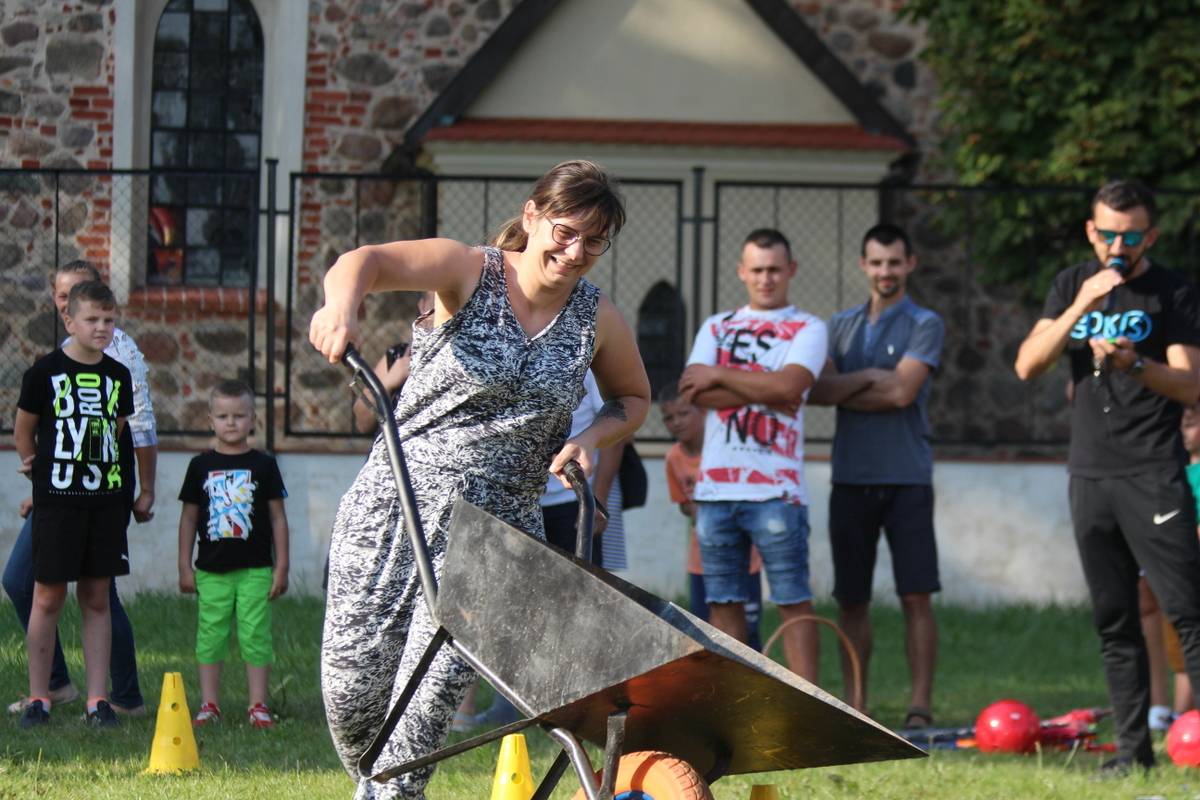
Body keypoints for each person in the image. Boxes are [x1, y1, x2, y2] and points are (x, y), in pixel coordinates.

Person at [308, 159, 650, 799]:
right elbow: (365, 260)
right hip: (396, 506)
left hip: (496, 536)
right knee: (354, 702)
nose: (575, 252)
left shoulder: (596, 316)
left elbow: (632, 398)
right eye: (565, 232)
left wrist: (588, 439)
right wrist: (340, 307)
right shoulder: (469, 270)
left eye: (594, 241)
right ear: (532, 216)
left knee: (419, 723)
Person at [1014, 179, 1200, 774]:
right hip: (1090, 476)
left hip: (1153, 471)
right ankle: (1131, 754)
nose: (1118, 246)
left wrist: (1134, 364)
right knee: (1115, 620)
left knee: (1188, 613)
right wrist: (1081, 305)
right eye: (1108, 235)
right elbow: (1027, 365)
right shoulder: (1073, 283)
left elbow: (1191, 385)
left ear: (1152, 235)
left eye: (1131, 236)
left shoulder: (1173, 292)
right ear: (1091, 232)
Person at [4, 261, 155, 717]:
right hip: (58, 504)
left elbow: (118, 431)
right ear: (68, 320)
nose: (102, 328)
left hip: (104, 503)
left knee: (96, 597)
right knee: (46, 595)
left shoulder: (118, 374)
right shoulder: (44, 372)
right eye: (92, 320)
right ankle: (40, 696)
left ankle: (97, 699)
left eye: (109, 320)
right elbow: (24, 431)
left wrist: (137, 487)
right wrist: (40, 475)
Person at [807, 223, 944, 726]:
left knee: (916, 595)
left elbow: (903, 393)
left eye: (894, 262)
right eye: (877, 262)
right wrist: (869, 378)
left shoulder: (926, 323)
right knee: (852, 599)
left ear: (910, 264)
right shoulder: (839, 324)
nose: (886, 271)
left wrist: (847, 386)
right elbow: (816, 391)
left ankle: (920, 707)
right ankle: (856, 706)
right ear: (863, 265)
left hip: (908, 478)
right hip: (850, 478)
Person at [678, 228, 827, 682]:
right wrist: (769, 386)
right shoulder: (716, 326)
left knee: (792, 600)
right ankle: (738, 704)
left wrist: (720, 375)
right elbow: (693, 393)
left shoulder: (809, 327)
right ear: (742, 271)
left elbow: (791, 387)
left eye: (775, 270)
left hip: (777, 490)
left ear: (791, 270)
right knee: (723, 602)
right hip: (716, 490)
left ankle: (810, 706)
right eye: (757, 270)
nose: (766, 279)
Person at [177, 379, 290, 728]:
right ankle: (209, 704)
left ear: (253, 419)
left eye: (239, 416)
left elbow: (278, 517)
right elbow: (188, 519)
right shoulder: (199, 466)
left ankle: (258, 705)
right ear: (210, 420)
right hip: (211, 570)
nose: (231, 423)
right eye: (223, 416)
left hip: (256, 569)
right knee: (210, 635)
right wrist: (184, 566)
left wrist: (282, 566)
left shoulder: (265, 465)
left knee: (255, 634)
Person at [660, 383, 762, 650]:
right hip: (701, 562)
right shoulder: (673, 458)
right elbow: (683, 503)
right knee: (705, 634)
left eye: (684, 413)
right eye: (669, 417)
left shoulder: (728, 451)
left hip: (743, 559)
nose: (676, 422)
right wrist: (697, 510)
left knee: (748, 632)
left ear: (703, 412)